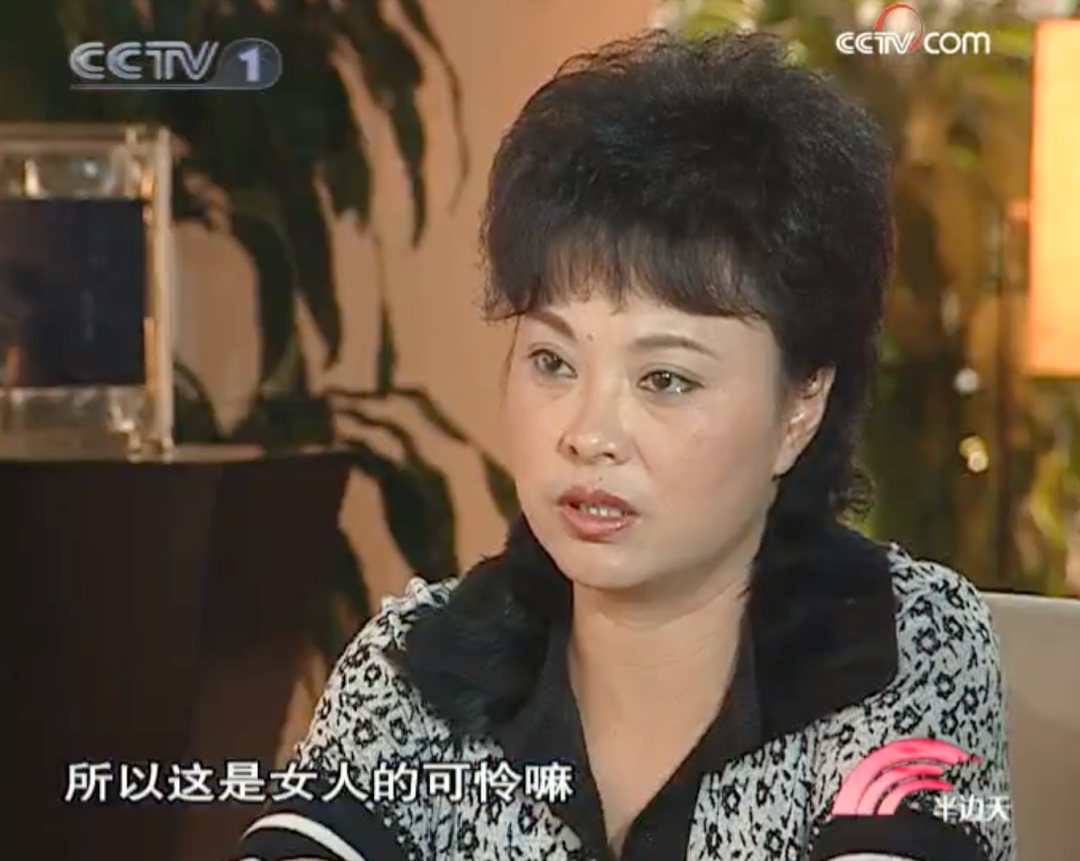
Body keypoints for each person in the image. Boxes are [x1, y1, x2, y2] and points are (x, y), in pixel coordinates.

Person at [233, 29, 1016, 861]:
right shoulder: (418, 667)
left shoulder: (901, 647)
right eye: (553, 361)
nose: (589, 434)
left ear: (800, 405)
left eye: (665, 379)